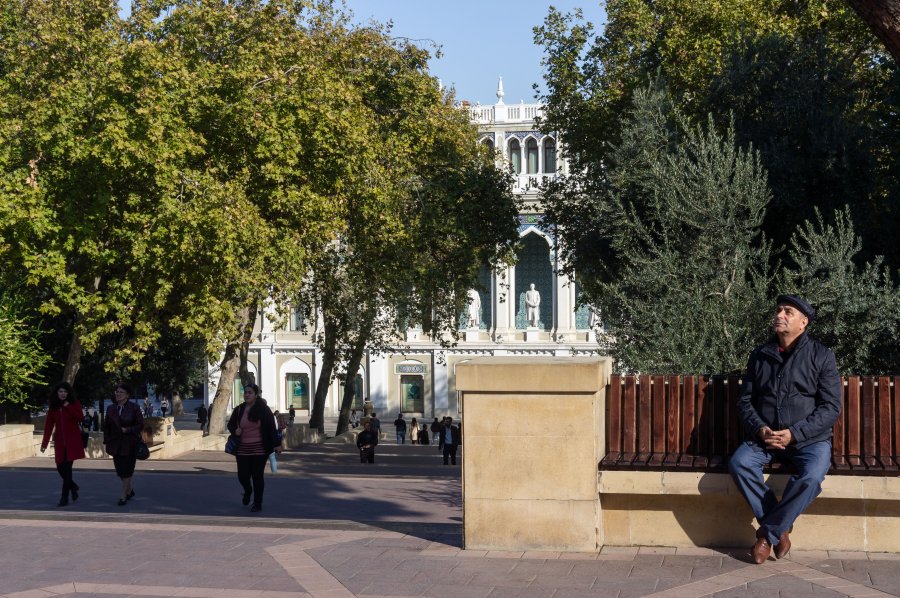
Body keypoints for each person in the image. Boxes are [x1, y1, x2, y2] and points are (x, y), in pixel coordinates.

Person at [729, 295, 842, 564]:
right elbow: (745, 401)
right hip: (766, 440)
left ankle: (768, 535)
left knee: (812, 477)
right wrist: (760, 429)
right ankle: (781, 530)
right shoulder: (760, 355)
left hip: (809, 441)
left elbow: (831, 407)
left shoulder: (821, 356)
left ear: (803, 322)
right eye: (779, 310)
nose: (780, 314)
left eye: (788, 312)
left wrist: (795, 433)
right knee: (740, 463)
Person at [226, 383, 282, 513]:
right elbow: (230, 425)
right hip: (242, 449)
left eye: (250, 392)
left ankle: (257, 503)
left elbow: (271, 429)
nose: (246, 394)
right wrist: (235, 431)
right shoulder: (239, 409)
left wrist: (276, 444)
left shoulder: (264, 410)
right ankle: (247, 491)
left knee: (257, 476)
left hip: (260, 449)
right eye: (245, 392)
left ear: (256, 395)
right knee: (243, 476)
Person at [40, 382, 86, 507]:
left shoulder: (74, 403)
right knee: (60, 468)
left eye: (65, 392)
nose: (63, 394)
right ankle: (73, 486)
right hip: (60, 442)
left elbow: (80, 418)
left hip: (72, 442)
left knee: (67, 469)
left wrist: (68, 406)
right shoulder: (53, 406)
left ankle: (64, 497)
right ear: (57, 393)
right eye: (60, 391)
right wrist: (44, 443)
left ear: (68, 393)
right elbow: (48, 426)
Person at [103, 383, 144, 506]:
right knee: (120, 471)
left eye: (121, 392)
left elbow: (140, 425)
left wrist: (128, 430)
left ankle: (123, 495)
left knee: (127, 470)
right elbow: (106, 427)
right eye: (117, 391)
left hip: (129, 443)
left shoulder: (134, 408)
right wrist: (107, 441)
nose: (118, 394)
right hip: (115, 444)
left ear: (127, 395)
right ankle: (129, 490)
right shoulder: (110, 408)